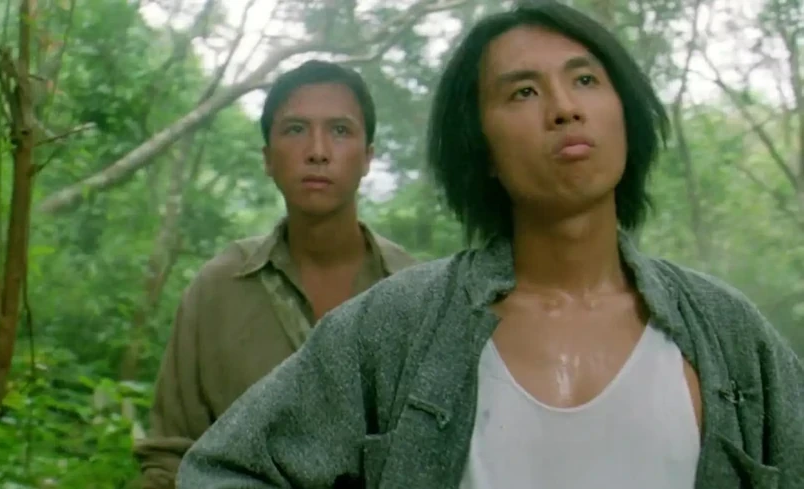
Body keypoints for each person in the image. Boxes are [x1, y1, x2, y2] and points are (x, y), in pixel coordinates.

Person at [176, 3, 804, 488]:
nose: (564, 108)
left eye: (586, 79)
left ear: (625, 114)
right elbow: (222, 470)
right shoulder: (397, 326)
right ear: (481, 150)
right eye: (523, 92)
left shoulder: (729, 333)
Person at [132, 60, 417, 489]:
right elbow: (170, 459)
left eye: (340, 130)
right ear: (268, 158)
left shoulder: (415, 293)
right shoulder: (219, 290)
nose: (318, 151)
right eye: (295, 129)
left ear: (368, 158)